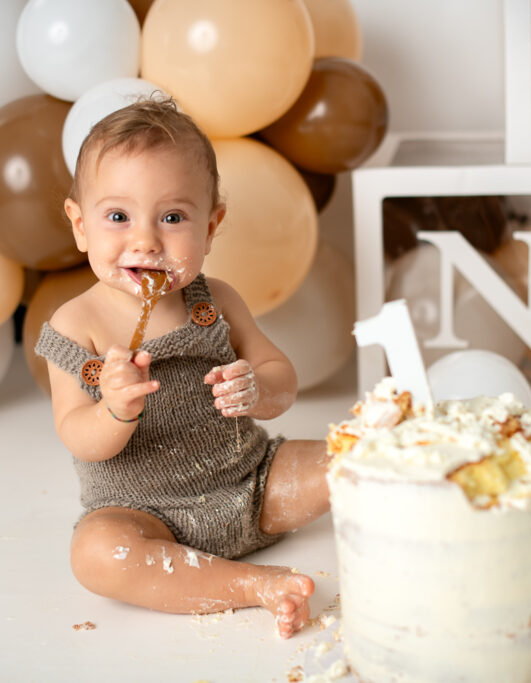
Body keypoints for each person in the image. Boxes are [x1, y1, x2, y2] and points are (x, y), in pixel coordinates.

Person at [34, 97, 331, 638]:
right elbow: (77, 434)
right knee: (96, 555)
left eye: (172, 217)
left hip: (254, 483)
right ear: (80, 225)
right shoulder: (76, 327)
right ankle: (249, 584)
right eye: (118, 217)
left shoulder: (214, 300)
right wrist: (115, 411)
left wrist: (256, 389)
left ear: (211, 225)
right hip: (145, 515)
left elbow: (281, 378)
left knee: (353, 457)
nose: (145, 240)